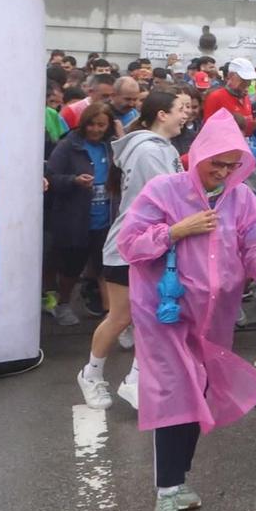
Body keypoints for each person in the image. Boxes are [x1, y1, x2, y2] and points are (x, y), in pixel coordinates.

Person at [112, 109, 256, 511]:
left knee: (197, 395)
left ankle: (178, 480)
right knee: (175, 394)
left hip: (214, 320)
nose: (223, 173)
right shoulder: (163, 191)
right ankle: (166, 496)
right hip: (164, 317)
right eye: (217, 164)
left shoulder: (242, 198)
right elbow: (128, 244)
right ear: (199, 155)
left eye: (232, 166)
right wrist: (175, 231)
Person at [80, 90, 187, 410]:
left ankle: (136, 379)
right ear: (161, 115)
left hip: (154, 243)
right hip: (129, 246)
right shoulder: (147, 152)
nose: (187, 114)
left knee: (152, 316)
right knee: (121, 316)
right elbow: (168, 197)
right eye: (182, 109)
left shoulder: (162, 149)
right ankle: (91, 374)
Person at [45, 104, 115, 328]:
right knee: (71, 267)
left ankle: (112, 314)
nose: (96, 129)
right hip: (75, 219)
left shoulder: (112, 147)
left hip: (106, 218)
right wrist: (74, 180)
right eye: (91, 124)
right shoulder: (68, 146)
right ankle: (63, 303)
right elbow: (52, 177)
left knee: (106, 266)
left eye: (101, 125)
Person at [201, 58, 256, 136]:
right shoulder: (216, 97)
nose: (247, 83)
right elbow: (208, 129)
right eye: (244, 79)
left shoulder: (246, 98)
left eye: (249, 80)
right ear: (230, 76)